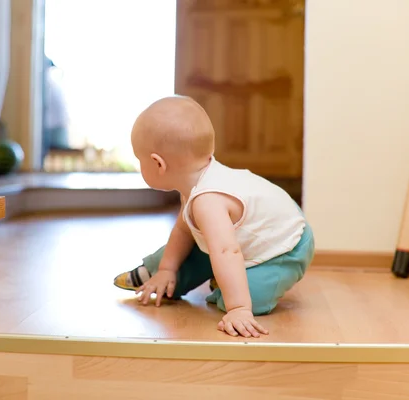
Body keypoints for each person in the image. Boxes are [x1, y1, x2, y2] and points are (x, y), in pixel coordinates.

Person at [113, 96, 315, 338]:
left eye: (139, 160)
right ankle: (160, 273)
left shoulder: (208, 200)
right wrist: (167, 268)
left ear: (158, 164)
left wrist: (238, 308)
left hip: (285, 243)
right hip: (247, 228)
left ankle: (230, 284)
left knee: (241, 295)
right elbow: (183, 230)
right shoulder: (195, 183)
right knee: (194, 246)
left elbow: (227, 252)